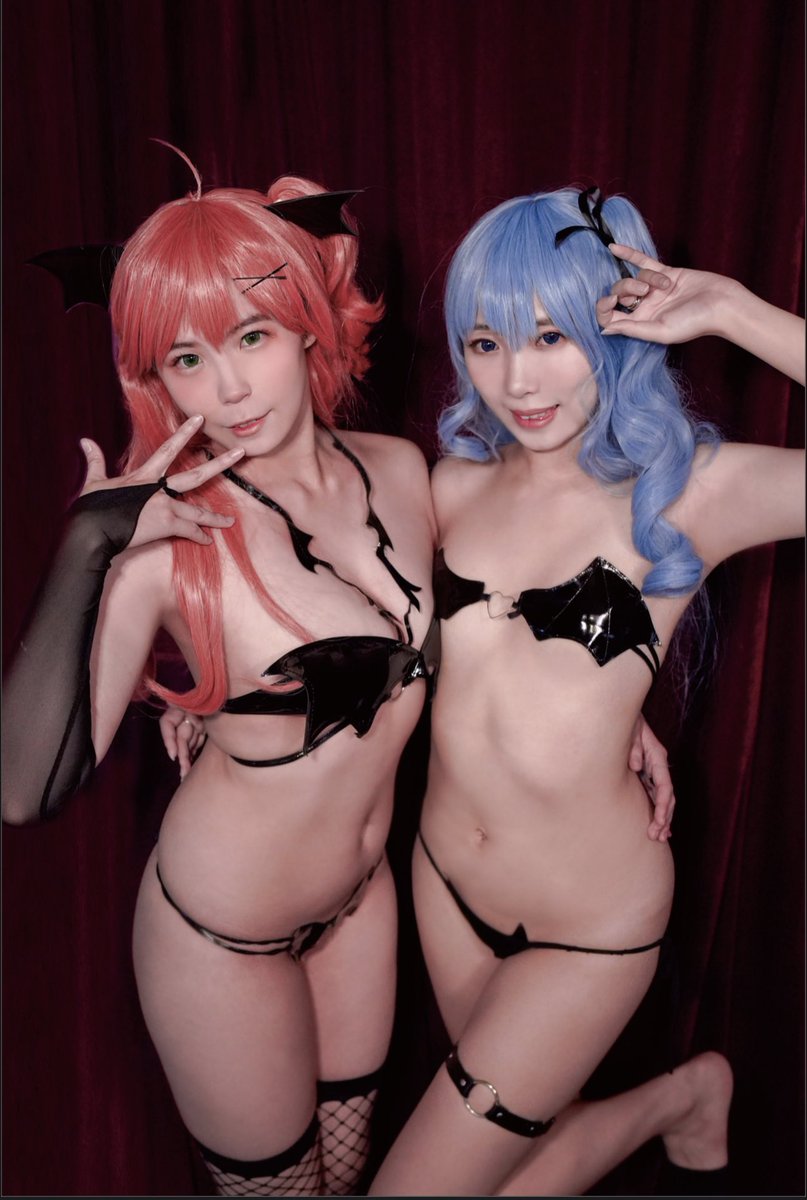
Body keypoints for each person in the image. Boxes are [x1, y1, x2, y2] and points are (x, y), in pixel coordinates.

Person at [2, 158, 441, 1197]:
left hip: (360, 907)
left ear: (309, 326)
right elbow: (20, 791)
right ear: (155, 379)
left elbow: (512, 590)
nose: (228, 390)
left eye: (250, 338)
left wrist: (628, 717)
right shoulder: (164, 548)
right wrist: (90, 543)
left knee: (347, 1179)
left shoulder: (401, 470)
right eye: (186, 359)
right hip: (220, 939)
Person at [359, 187, 803, 1196]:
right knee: (509, 1173)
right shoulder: (449, 486)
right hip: (445, 883)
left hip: (588, 922)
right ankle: (681, 1098)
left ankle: (671, 1101)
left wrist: (734, 311)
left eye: (552, 337)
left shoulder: (693, 491)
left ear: (618, 326)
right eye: (485, 343)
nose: (517, 380)